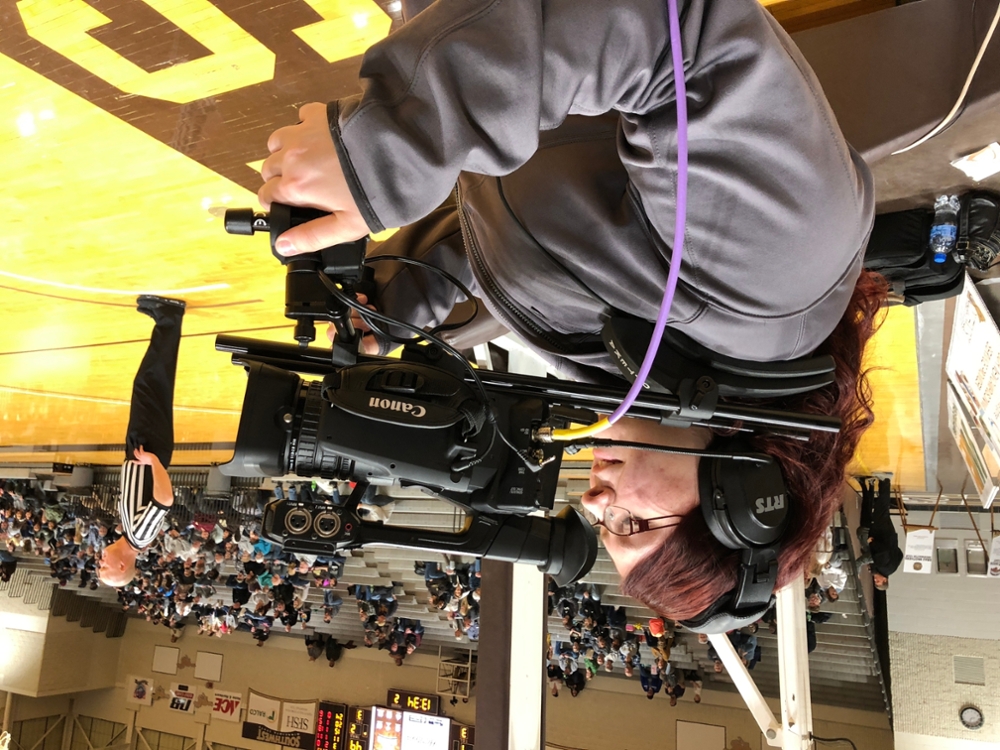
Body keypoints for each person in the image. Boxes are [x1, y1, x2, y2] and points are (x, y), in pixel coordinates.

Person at [258, 0, 885, 619]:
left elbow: (532, 229)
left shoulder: (633, 372)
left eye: (601, 523)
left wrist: (401, 298)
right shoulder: (776, 277)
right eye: (631, 520)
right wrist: (396, 142)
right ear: (744, 494)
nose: (593, 501)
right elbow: (673, 30)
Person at [99, 296, 185, 587]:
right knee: (151, 384)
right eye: (104, 568)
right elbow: (165, 499)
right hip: (149, 449)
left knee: (150, 384)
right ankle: (169, 317)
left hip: (142, 448)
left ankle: (166, 323)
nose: (99, 561)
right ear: (122, 565)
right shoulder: (139, 535)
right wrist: (154, 462)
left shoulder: (131, 534)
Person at [856, 477, 903, 590]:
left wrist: (893, 545)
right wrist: (873, 543)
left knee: (882, 510)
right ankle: (885, 481)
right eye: (878, 581)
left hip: (889, 535)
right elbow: (883, 551)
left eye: (875, 582)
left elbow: (900, 554)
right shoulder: (882, 566)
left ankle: (882, 483)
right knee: (881, 508)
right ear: (885, 580)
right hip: (881, 534)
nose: (875, 579)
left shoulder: (891, 569)